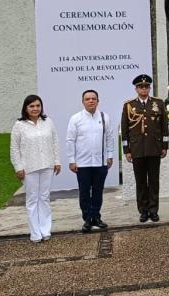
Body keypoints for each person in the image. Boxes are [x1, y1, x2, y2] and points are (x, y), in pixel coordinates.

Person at [10, 95, 61, 243]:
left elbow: (55, 142)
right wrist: (18, 167)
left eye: (38, 106)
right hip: (29, 168)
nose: (35, 109)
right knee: (32, 199)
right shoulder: (19, 125)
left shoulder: (47, 122)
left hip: (47, 165)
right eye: (32, 106)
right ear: (26, 108)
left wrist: (57, 161)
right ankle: (35, 232)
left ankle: (45, 230)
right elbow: (14, 148)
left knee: (44, 197)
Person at [121, 74, 169, 223]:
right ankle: (143, 211)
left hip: (154, 149)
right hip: (137, 150)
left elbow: (164, 127)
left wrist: (164, 146)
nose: (144, 89)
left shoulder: (158, 103)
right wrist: (127, 150)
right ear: (136, 89)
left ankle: (154, 210)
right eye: (141, 87)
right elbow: (125, 129)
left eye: (146, 86)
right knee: (141, 181)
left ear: (149, 88)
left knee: (154, 181)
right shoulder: (129, 105)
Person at [66, 90, 115, 232]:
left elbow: (109, 137)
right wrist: (71, 160)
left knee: (98, 191)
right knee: (85, 192)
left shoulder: (104, 117)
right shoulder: (76, 118)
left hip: (100, 163)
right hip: (82, 163)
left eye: (94, 98)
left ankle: (96, 217)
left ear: (98, 101)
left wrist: (110, 155)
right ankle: (87, 219)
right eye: (87, 99)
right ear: (83, 102)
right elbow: (70, 140)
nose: (91, 101)